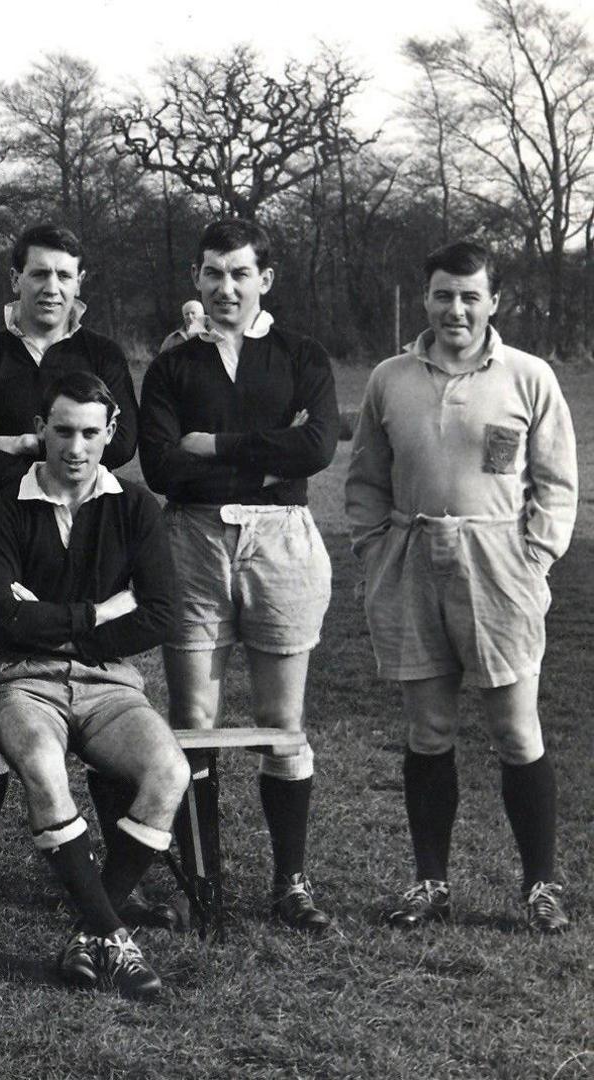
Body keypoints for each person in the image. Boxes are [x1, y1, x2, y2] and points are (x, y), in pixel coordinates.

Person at [346, 241, 576, 934]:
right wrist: (373, 549)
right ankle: (430, 883)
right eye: (444, 294)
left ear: (493, 302)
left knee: (514, 728)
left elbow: (558, 485)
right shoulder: (390, 378)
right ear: (426, 299)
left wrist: (531, 559)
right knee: (430, 727)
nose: (456, 308)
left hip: (499, 560)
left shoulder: (527, 376)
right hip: (412, 556)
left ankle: (540, 886)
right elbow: (363, 478)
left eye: (470, 295)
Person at [138, 218, 339, 932]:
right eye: (213, 274)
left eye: (240, 274)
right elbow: (161, 464)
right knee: (194, 721)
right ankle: (205, 885)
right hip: (191, 539)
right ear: (196, 279)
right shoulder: (172, 366)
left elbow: (317, 446)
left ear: (266, 280)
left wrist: (218, 445)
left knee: (282, 723)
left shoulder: (299, 353)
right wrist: (265, 452)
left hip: (281, 538)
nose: (227, 288)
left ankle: (291, 884)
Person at [0, 222, 142, 914]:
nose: (50, 287)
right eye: (38, 274)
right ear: (15, 280)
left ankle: (122, 867)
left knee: (102, 693)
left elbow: (120, 450)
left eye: (64, 275)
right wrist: (47, 446)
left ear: (79, 283)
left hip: (85, 542)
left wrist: (19, 442)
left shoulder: (104, 354)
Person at [0, 370, 185, 1000]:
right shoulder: (0, 505)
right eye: (62, 431)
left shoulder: (135, 505)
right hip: (22, 679)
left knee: (169, 774)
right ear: (39, 429)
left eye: (90, 433)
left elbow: (158, 613)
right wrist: (99, 613)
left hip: (111, 682)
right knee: (42, 765)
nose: (75, 447)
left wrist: (52, 625)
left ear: (111, 433)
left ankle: (89, 929)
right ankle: (113, 936)